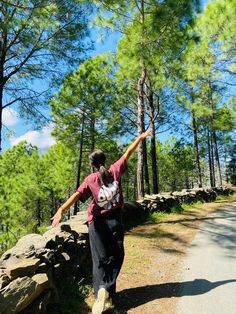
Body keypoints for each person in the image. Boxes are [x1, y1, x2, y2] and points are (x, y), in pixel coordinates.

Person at [51, 129, 152, 314]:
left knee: (100, 259)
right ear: (104, 160)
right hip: (114, 220)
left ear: (92, 165)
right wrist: (139, 137)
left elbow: (77, 195)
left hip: (96, 222)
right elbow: (128, 152)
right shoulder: (114, 170)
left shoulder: (90, 179)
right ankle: (107, 290)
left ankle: (101, 293)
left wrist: (61, 210)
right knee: (117, 255)